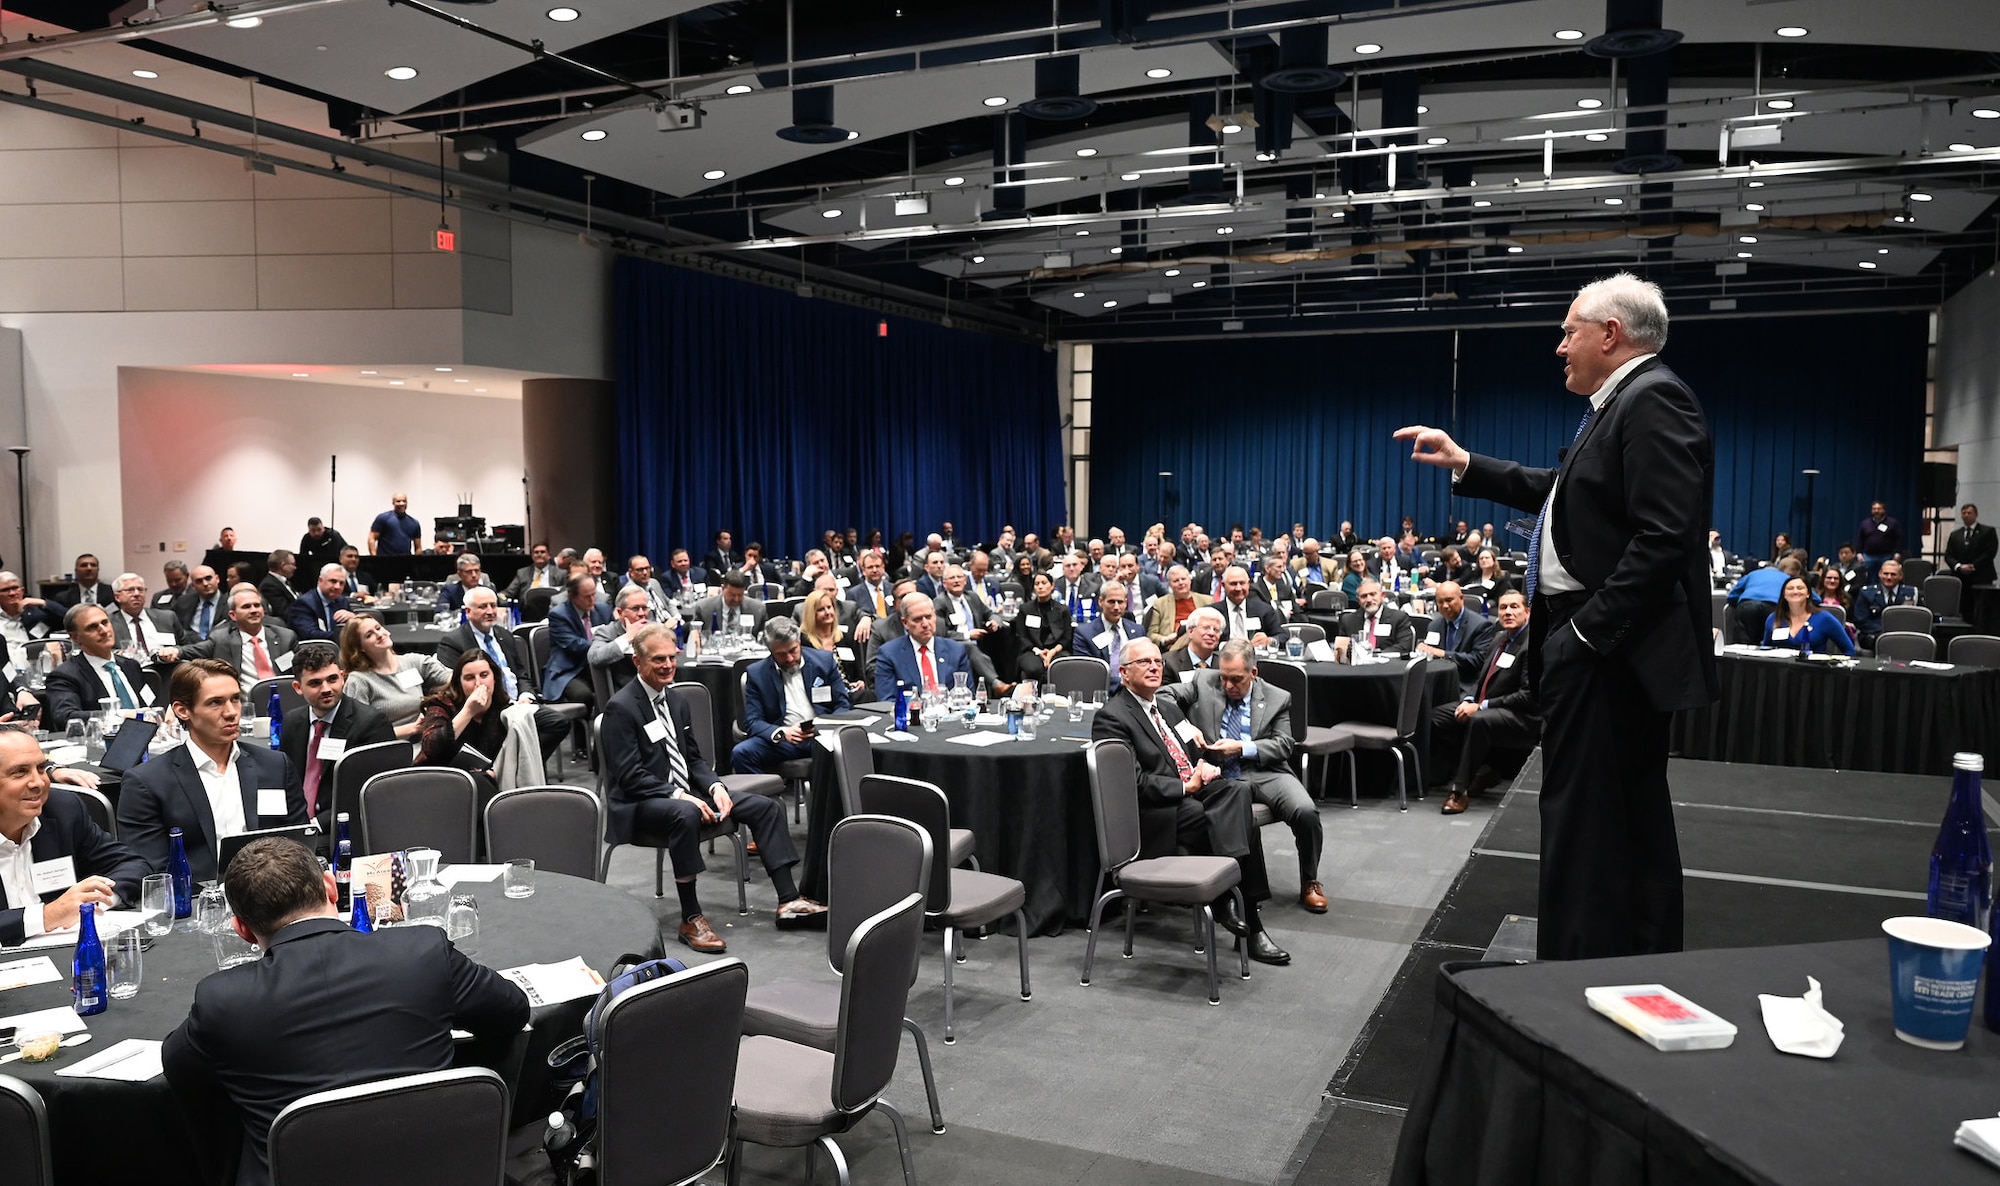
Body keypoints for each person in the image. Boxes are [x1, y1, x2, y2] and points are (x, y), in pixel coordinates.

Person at [1395, 270, 1715, 960]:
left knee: (1590, 814)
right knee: (1608, 813)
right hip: (1596, 647)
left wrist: (1584, 635)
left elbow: (1664, 538)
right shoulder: (1620, 403)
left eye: (1569, 330)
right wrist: (1467, 462)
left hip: (1608, 652)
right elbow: (1565, 495)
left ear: (1611, 333)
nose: (1559, 345)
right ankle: (1617, 952)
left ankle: (1579, 965)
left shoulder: (1653, 401)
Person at [162, 837, 529, 1186]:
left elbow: (180, 1070)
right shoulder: (420, 952)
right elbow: (513, 1010)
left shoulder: (222, 1001)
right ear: (331, 887)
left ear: (241, 929)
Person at [600, 626, 826, 952]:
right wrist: (680, 794)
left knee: (766, 806)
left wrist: (716, 786)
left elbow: (693, 760)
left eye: (670, 658)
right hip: (640, 803)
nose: (667, 665)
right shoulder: (621, 707)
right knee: (685, 812)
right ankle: (690, 917)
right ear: (637, 661)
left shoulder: (676, 701)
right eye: (657, 660)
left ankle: (788, 900)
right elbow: (628, 776)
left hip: (684, 794)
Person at [1090, 637, 1286, 965]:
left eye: (1157, 661)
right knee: (1224, 817)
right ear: (1124, 673)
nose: (1154, 666)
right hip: (1155, 811)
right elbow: (1131, 784)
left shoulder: (1165, 706)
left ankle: (1229, 896)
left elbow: (1188, 748)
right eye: (1144, 663)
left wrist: (1202, 764)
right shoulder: (1112, 718)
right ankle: (1246, 916)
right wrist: (1184, 787)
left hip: (1191, 789)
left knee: (1238, 792)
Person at [117, 659, 306, 884]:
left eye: (235, 699)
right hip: (197, 903)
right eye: (215, 703)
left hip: (275, 893)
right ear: (183, 710)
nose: (231, 712)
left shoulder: (275, 765)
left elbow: (299, 844)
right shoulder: (147, 783)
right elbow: (153, 871)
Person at [1173, 640, 1325, 914]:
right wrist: (1187, 727)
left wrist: (1242, 747)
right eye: (1224, 678)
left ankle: (1310, 881)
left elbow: (1284, 744)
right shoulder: (1203, 681)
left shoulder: (1277, 697)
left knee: (1306, 811)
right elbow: (1162, 696)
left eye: (1237, 680)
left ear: (1253, 674)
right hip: (1218, 774)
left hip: (1264, 771)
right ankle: (1227, 890)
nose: (1228, 686)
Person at [0, 722, 148, 945]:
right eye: (20, 772)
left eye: (41, 768)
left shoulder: (62, 811)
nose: (39, 782)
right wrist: (47, 915)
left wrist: (91, 904)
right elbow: (52, 914)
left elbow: (133, 865)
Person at [1428, 590, 1540, 814]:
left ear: (1527, 612)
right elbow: (1481, 679)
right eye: (1503, 608)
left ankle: (1459, 792)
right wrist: (1470, 698)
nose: (1508, 612)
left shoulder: (1532, 646)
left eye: (1514, 607)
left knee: (1477, 720)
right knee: (1435, 716)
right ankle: (1456, 772)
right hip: (1488, 705)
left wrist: (1481, 706)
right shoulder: (1500, 638)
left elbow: (1528, 696)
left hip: (1524, 716)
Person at [279, 643, 396, 825]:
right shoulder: (292, 722)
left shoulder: (370, 723)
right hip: (297, 822)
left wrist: (315, 825)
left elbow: (368, 792)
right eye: (315, 683)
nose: (326, 689)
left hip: (342, 825)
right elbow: (286, 782)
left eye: (332, 679)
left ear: (343, 677)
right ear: (298, 687)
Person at [734, 617, 851, 774]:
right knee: (741, 753)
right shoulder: (757, 674)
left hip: (822, 736)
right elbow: (753, 721)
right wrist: (783, 733)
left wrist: (824, 726)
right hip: (784, 741)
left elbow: (843, 704)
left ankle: (825, 798)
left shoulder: (824, 662)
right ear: (770, 651)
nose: (789, 658)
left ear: (799, 643)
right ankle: (767, 798)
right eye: (781, 654)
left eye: (793, 650)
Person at [415, 650, 512, 801]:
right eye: (469, 678)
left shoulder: (503, 708)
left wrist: (499, 769)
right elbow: (431, 748)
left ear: (495, 678)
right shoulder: (441, 704)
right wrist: (468, 711)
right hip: (437, 779)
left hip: (486, 779)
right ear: (458, 682)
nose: (478, 683)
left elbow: (554, 723)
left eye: (484, 675)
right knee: (479, 783)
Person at [338, 613, 449, 737]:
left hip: (426, 741)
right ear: (360, 648)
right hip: (390, 748)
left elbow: (453, 679)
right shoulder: (359, 681)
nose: (379, 635)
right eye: (369, 635)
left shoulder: (413, 662)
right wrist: (412, 728)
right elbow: (358, 735)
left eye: (378, 628)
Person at [179, 584, 300, 694]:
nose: (253, 610)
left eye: (257, 605)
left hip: (285, 698)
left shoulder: (286, 637)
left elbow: (303, 669)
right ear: (233, 615)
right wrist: (174, 651)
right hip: (246, 706)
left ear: (263, 610)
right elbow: (193, 650)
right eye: (246, 607)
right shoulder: (221, 639)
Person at [44, 604, 151, 728]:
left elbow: (147, 704)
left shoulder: (131, 666)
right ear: (75, 637)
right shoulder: (65, 675)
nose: (104, 631)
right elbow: (66, 716)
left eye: (105, 623)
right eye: (93, 627)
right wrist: (120, 716)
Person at [874, 593, 974, 701]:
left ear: (935, 616)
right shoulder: (889, 654)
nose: (925, 624)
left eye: (928, 617)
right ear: (905, 623)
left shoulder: (956, 650)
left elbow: (967, 694)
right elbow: (887, 700)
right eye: (917, 619)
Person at [544, 572, 613, 711]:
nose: (592, 599)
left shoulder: (603, 610)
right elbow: (574, 645)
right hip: (570, 670)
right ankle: (585, 732)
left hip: (598, 666)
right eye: (587, 596)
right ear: (572, 596)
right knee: (584, 695)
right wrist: (604, 649)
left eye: (594, 594)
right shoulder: (559, 615)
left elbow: (613, 635)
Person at [1070, 581, 1147, 692]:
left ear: (1126, 603)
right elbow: (1087, 671)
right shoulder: (1084, 633)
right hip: (1102, 691)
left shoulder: (1138, 631)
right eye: (1111, 602)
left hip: (1135, 691)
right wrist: (1121, 683)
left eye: (1120, 602)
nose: (1116, 607)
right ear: (1101, 602)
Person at [1420, 582, 1494, 691]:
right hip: (1437, 682)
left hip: (1465, 684)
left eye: (1449, 600)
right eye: (1440, 602)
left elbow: (1478, 660)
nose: (1445, 606)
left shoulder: (1481, 625)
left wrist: (1444, 654)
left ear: (1461, 598)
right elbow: (1430, 655)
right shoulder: (1434, 625)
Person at [1760, 575, 1856, 656]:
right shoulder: (1773, 618)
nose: (1795, 591)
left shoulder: (1824, 619)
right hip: (1781, 674)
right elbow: (1765, 650)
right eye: (1790, 588)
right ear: (1784, 595)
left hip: (1814, 674)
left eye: (1800, 588)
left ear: (1808, 594)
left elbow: (1849, 650)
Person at [799, 586, 867, 695]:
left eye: (829, 607)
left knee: (867, 695)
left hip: (850, 691)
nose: (827, 612)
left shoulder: (844, 637)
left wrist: (859, 682)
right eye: (821, 609)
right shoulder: (804, 641)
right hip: (822, 694)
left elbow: (857, 672)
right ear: (811, 614)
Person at [108, 571, 188, 660]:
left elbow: (185, 647)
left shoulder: (167, 618)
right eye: (130, 590)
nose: (137, 594)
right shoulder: (109, 623)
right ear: (117, 597)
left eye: (140, 589)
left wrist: (174, 651)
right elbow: (100, 651)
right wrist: (118, 653)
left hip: (168, 668)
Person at [1725, 555, 1802, 643]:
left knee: (1743, 642)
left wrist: (1737, 604)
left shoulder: (1752, 574)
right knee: (1769, 642)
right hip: (1772, 607)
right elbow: (1813, 597)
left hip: (1747, 605)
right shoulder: (1788, 578)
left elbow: (1732, 596)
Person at [1013, 570, 1071, 684]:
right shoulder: (1025, 609)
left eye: (1044, 583)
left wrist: (1052, 652)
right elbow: (1022, 636)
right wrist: (1039, 652)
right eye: (1037, 584)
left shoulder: (1063, 610)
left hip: (1057, 650)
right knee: (1033, 668)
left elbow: (1066, 638)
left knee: (1060, 666)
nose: (1040, 587)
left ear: (1052, 585)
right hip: (1032, 650)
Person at [1337, 579, 1417, 659]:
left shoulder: (1399, 618)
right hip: (1357, 669)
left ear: (1382, 596)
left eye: (1373, 594)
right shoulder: (1348, 620)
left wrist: (1374, 656)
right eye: (1364, 596)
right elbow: (1341, 651)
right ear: (1358, 600)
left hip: (1387, 667)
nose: (1369, 600)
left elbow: (1404, 647)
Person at [1850, 558, 1918, 647]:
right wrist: (1886, 632)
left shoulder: (1911, 593)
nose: (1889, 577)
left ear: (1901, 576)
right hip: (1874, 636)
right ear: (1879, 574)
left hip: (1903, 635)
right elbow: (1861, 621)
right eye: (1886, 574)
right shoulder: (1866, 593)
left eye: (1893, 574)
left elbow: (1916, 619)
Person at [1144, 564, 1212, 648]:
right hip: (1173, 647)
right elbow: (1151, 634)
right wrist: (1165, 639)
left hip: (1201, 643)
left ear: (1190, 580)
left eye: (1183, 579)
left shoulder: (1207, 601)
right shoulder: (1160, 604)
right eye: (1176, 581)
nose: (1181, 583)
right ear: (1169, 585)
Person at [285, 564, 355, 643]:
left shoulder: (342, 601)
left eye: (341, 583)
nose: (337, 587)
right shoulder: (304, 604)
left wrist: (354, 619)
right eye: (333, 581)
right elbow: (310, 635)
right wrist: (346, 635)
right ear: (320, 580)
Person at [1213, 566, 1281, 646]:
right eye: (1233, 584)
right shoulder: (1213, 613)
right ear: (1223, 585)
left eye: (1242, 583)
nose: (1238, 588)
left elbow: (1282, 635)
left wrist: (1269, 641)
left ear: (1248, 584)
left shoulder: (1264, 610)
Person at [691, 570, 768, 640]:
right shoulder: (704, 608)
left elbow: (765, 638)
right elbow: (695, 636)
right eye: (732, 595)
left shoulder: (758, 609)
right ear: (723, 588)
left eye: (740, 595)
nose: (736, 599)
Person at [0, 571, 60, 653]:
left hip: (34, 660)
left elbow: (71, 619)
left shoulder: (37, 614)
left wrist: (43, 602)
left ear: (22, 590)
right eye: (5, 590)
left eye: (15, 588)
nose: (12, 593)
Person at [1163, 607, 1225, 681]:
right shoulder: (1169, 662)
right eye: (1206, 628)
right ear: (1191, 631)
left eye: (1216, 630)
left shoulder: (1225, 662)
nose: (1212, 633)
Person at [1946, 503, 1997, 587]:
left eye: (1969, 513)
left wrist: (1973, 566)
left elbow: (1990, 553)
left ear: (1976, 515)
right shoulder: (1955, 535)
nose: (1966, 515)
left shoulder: (1988, 532)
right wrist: (1959, 566)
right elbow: (1948, 555)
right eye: (1964, 513)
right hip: (1960, 578)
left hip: (1982, 577)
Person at [175, 565, 227, 640]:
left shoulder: (229, 603)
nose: (205, 584)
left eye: (208, 578)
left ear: (217, 579)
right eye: (199, 581)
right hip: (190, 646)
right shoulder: (183, 602)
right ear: (193, 586)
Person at [1855, 501, 1903, 582]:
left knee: (1886, 577)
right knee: (1867, 578)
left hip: (1886, 556)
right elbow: (1860, 539)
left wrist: (1897, 553)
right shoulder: (1865, 523)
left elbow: (1898, 539)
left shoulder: (1892, 523)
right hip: (1868, 556)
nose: (1876, 511)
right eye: (1874, 509)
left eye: (1879, 509)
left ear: (1884, 510)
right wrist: (1859, 553)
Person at [849, 550, 895, 620]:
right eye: (870, 567)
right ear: (863, 571)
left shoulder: (893, 589)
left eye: (877, 566)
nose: (874, 570)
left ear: (883, 568)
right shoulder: (853, 594)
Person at [258, 550, 299, 621]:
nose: (295, 568)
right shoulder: (269, 586)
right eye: (293, 564)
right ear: (283, 565)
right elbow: (284, 612)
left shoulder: (284, 581)